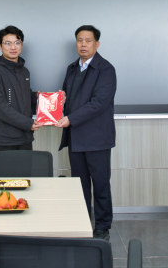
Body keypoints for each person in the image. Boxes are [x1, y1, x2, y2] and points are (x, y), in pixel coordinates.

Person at [56, 25, 117, 241]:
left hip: (97, 138)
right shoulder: (72, 68)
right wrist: (56, 104)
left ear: (96, 44)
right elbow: (66, 97)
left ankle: (102, 227)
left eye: (88, 40)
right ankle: (82, 223)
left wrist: (70, 119)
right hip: (76, 137)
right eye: (80, 40)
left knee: (100, 185)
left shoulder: (106, 69)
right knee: (79, 185)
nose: (83, 44)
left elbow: (98, 103)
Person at [0, 25, 40, 161]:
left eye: (17, 43)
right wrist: (27, 123)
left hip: (24, 139)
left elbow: (24, 98)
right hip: (2, 141)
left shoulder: (24, 72)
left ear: (21, 45)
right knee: (3, 176)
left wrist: (41, 98)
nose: (13, 47)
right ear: (0, 46)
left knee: (25, 175)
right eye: (8, 43)